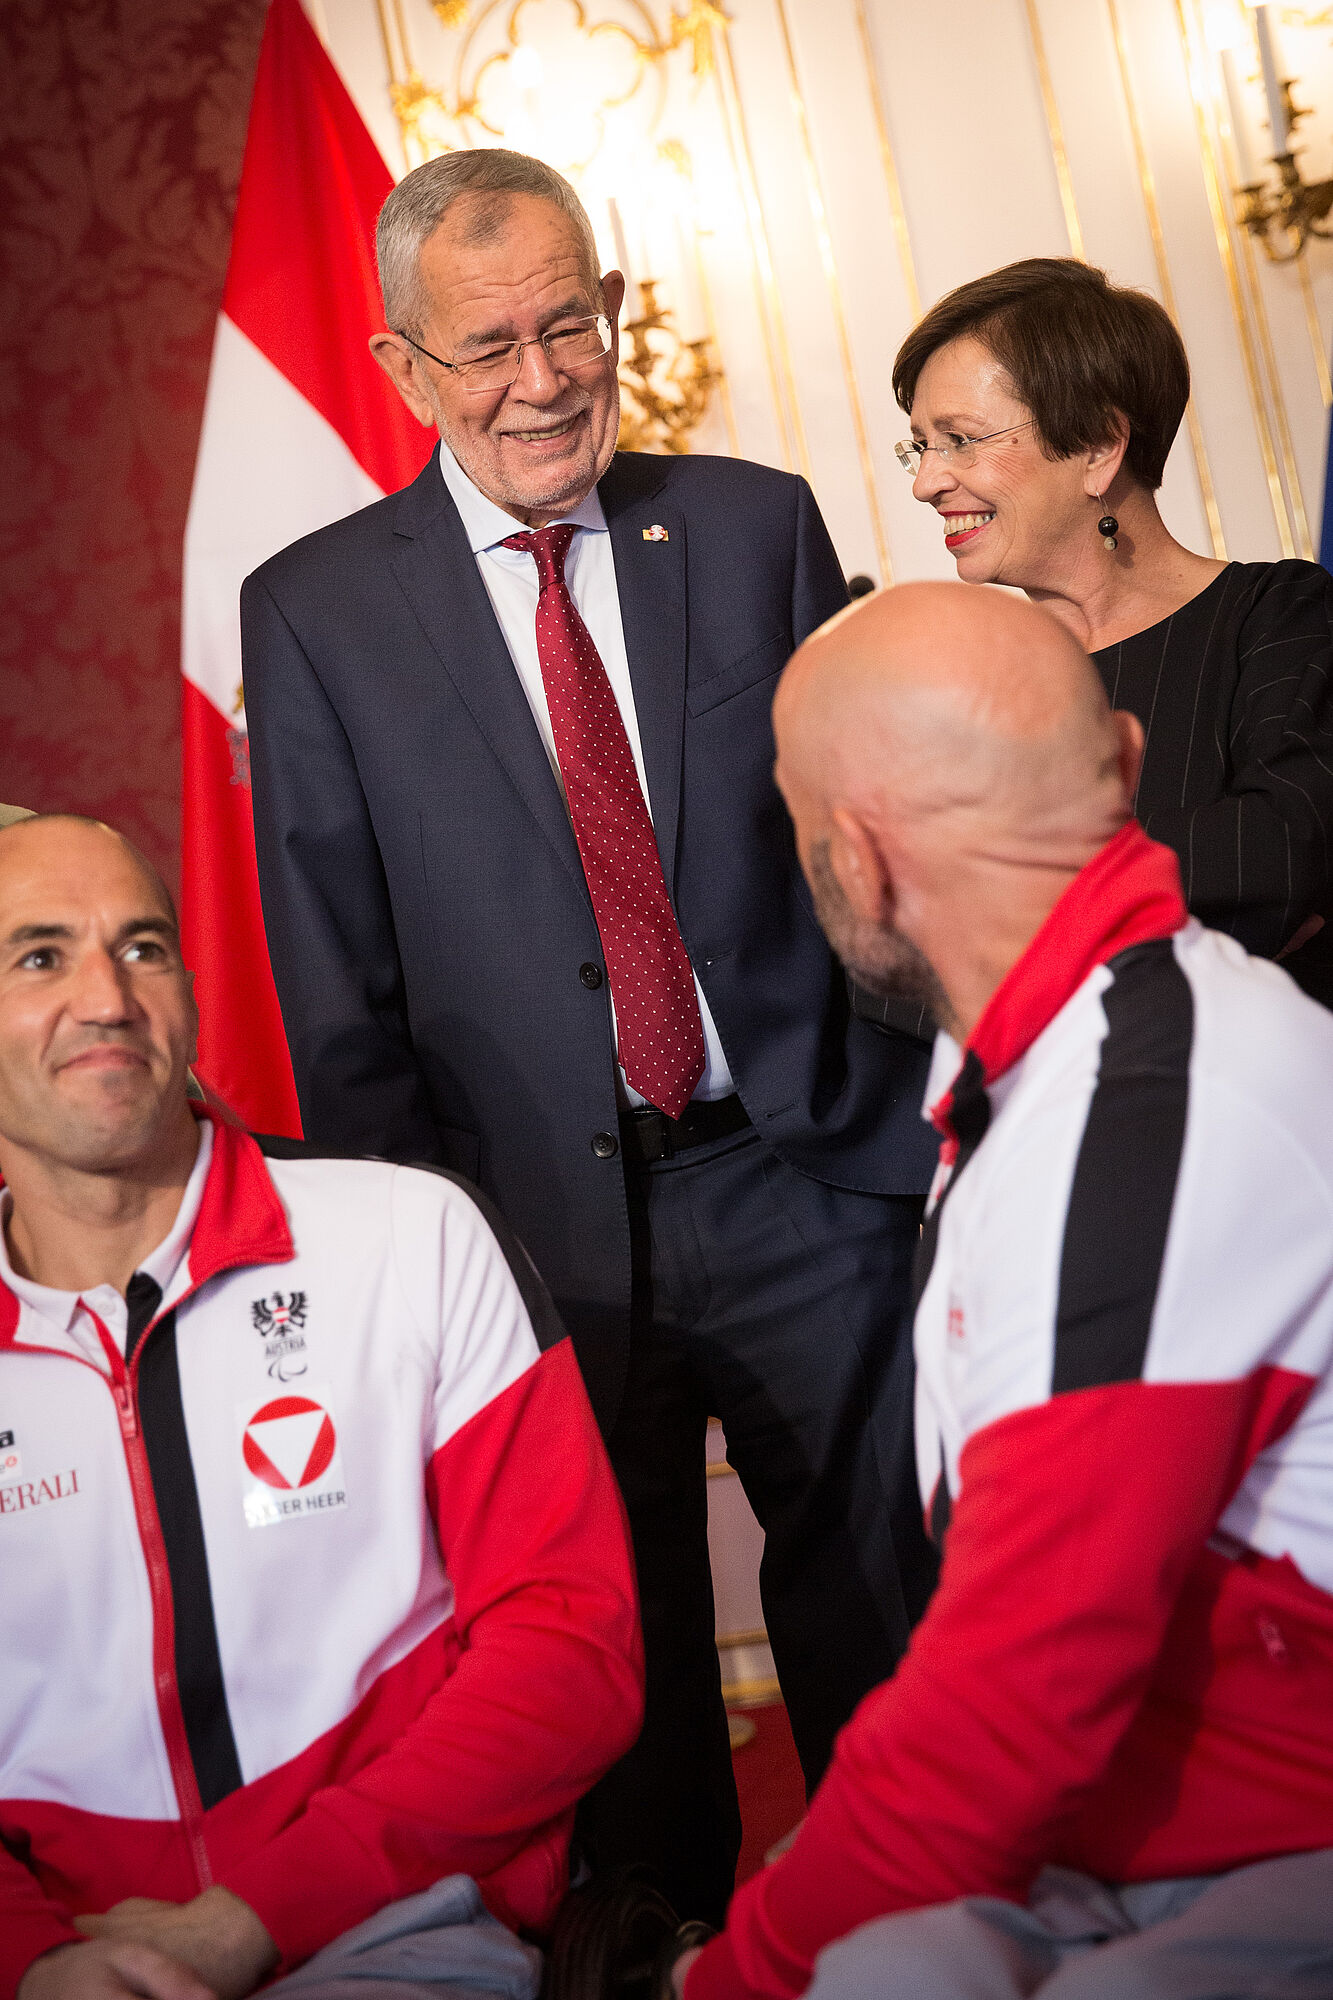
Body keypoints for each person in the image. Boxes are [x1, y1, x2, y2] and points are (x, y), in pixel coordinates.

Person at [240, 149, 937, 1921]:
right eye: (488, 347)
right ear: (403, 368)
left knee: (886, 1611)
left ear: (614, 307)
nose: (544, 379)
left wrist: (899, 1129)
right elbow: (337, 981)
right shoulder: (315, 611)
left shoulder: (755, 523)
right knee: (609, 1668)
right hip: (530, 1234)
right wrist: (422, 1260)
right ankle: (660, 1947)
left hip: (805, 1176)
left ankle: (911, 1919)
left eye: (571, 324)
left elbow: (880, 844)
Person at [676, 582, 1333, 2000]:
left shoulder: (1143, 1104)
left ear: (856, 861)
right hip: (1141, 1839)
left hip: (1268, 1847)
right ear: (1129, 760)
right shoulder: (1069, 1054)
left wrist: (727, 1979)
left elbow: (1020, 1697)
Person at [0, 813, 643, 2000]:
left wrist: (251, 1914)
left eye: (142, 947)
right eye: (41, 955)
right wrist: (35, 1959)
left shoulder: (410, 1234)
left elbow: (570, 1651)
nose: (107, 998)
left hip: (397, 1926)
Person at [890, 255, 1333, 1005]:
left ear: (1098, 446)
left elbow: (1280, 855)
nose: (925, 482)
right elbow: (894, 975)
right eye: (920, 445)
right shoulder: (950, 689)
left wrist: (988, 877)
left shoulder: (1280, 614)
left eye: (959, 439)